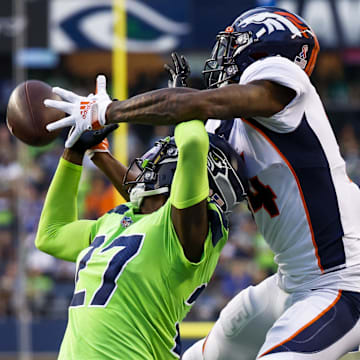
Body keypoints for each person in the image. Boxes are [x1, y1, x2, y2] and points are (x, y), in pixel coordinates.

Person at [44, 6, 360, 359]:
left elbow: (194, 107)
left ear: (265, 49)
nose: (222, 56)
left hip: (343, 279)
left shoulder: (282, 84)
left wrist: (107, 112)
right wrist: (99, 152)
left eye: (234, 44)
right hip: (292, 280)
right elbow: (155, 193)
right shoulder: (220, 125)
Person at [35, 99, 248, 359]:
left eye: (165, 154)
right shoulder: (122, 220)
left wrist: (183, 106)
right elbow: (52, 234)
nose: (148, 161)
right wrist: (76, 152)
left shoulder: (186, 231)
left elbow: (192, 143)